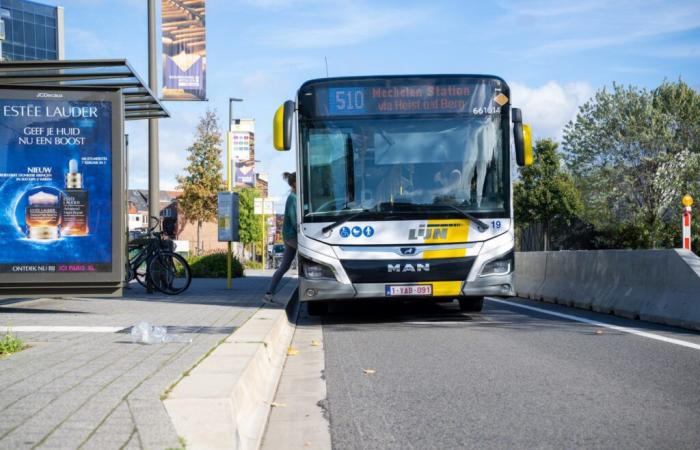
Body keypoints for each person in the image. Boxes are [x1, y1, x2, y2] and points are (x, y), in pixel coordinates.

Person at [264, 172, 297, 303]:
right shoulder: (293, 198)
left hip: (289, 236)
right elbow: (294, 220)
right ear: (295, 183)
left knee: (284, 266)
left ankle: (269, 294)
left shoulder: (295, 197)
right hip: (292, 236)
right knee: (310, 255)